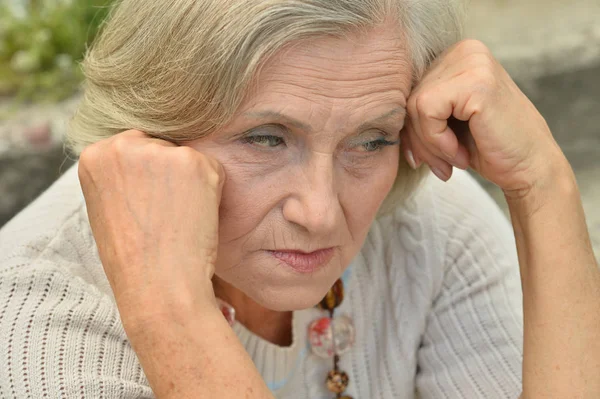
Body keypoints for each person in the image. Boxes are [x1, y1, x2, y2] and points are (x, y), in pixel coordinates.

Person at [0, 0, 598, 398]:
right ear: (148, 130)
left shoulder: (431, 221)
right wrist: (172, 312)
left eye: (369, 140)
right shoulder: (29, 327)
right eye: (266, 138)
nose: (321, 212)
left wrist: (543, 186)